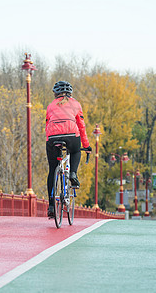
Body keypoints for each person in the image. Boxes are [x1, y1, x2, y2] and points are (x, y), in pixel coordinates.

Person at [45, 81, 91, 217]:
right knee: (76, 151)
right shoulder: (76, 104)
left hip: (53, 137)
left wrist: (49, 141)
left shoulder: (50, 105)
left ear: (55, 93)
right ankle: (72, 174)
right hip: (71, 135)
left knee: (52, 169)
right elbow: (81, 126)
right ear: (70, 93)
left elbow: (47, 125)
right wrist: (86, 145)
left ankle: (51, 206)